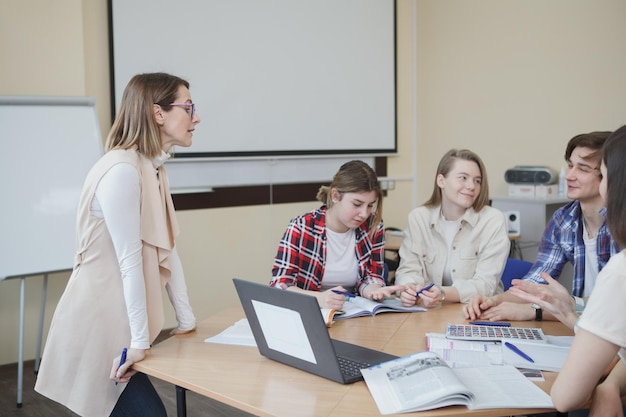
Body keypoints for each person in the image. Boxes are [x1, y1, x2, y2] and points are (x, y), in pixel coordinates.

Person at [35, 73, 200, 417]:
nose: (195, 117)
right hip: (98, 324)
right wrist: (140, 343)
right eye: (188, 107)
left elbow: (167, 247)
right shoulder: (122, 170)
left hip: (123, 319)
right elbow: (131, 260)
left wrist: (187, 320)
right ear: (158, 114)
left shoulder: (153, 169)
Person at [463, 131, 617, 322]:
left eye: (583, 169)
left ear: (610, 174)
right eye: (570, 166)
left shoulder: (620, 224)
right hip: (582, 329)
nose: (569, 175)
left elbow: (613, 303)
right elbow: (535, 281)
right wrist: (494, 301)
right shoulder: (564, 220)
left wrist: (534, 311)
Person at [544, 124, 626, 413]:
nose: (569, 175)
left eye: (601, 172)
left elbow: (565, 398)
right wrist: (613, 384)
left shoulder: (620, 271)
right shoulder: (563, 219)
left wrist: (570, 313)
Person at [269, 160, 404, 310]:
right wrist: (319, 298)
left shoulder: (374, 227)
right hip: (309, 312)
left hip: (353, 314)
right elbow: (279, 286)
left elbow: (371, 276)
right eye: (357, 204)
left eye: (370, 205)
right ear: (335, 196)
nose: (364, 214)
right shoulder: (301, 227)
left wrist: (373, 290)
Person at [395, 149, 510, 308]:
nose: (471, 186)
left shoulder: (492, 220)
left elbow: (486, 285)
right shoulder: (419, 217)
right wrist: (408, 289)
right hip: (428, 312)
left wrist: (442, 293)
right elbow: (408, 269)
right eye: (463, 178)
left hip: (477, 312)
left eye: (477, 181)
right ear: (441, 181)